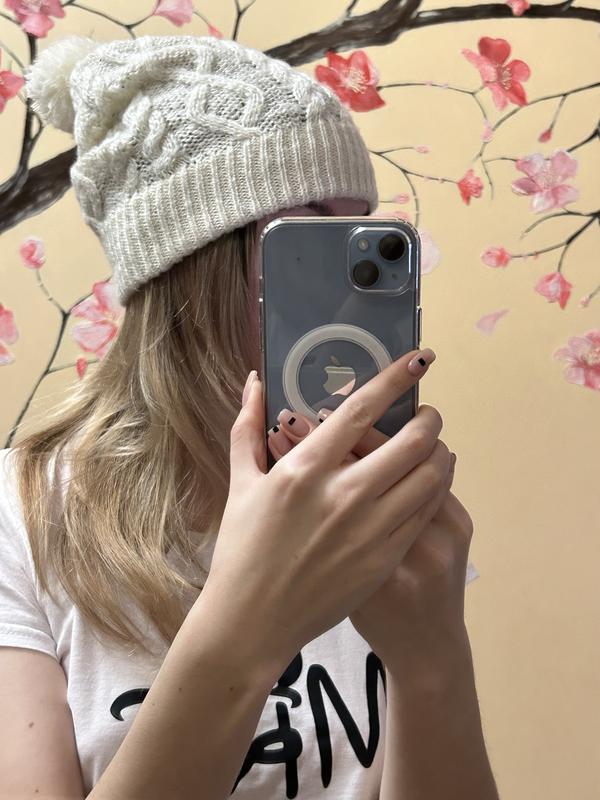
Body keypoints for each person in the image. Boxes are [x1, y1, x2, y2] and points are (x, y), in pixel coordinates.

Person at [0, 34, 499, 799]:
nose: (347, 298)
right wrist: (247, 624)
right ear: (186, 266)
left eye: (359, 233)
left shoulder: (372, 501)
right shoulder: (23, 516)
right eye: (311, 243)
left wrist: (432, 660)